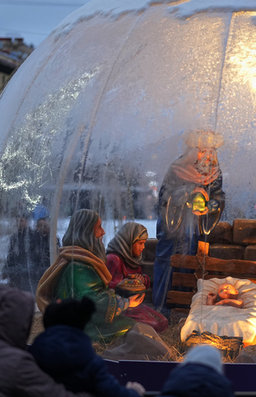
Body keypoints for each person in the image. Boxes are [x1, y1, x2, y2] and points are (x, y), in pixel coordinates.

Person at [36, 209, 158, 345]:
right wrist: (127, 302)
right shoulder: (78, 267)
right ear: (86, 232)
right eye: (99, 227)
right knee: (132, 327)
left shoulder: (84, 261)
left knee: (145, 324)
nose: (103, 232)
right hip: (80, 324)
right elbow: (94, 302)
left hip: (88, 318)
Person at [153, 129, 226, 313]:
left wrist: (209, 206)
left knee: (191, 263)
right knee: (168, 262)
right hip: (174, 228)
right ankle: (162, 307)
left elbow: (219, 198)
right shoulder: (177, 169)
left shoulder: (215, 173)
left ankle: (184, 307)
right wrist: (188, 193)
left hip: (195, 230)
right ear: (192, 150)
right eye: (202, 150)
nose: (207, 155)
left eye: (211, 150)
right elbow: (164, 197)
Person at [106, 222, 169, 332]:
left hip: (135, 305)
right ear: (128, 241)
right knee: (153, 325)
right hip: (121, 308)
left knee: (162, 321)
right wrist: (129, 283)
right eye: (140, 243)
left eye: (144, 243)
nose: (143, 247)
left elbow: (143, 279)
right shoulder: (114, 259)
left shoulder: (132, 258)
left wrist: (141, 280)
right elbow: (111, 287)